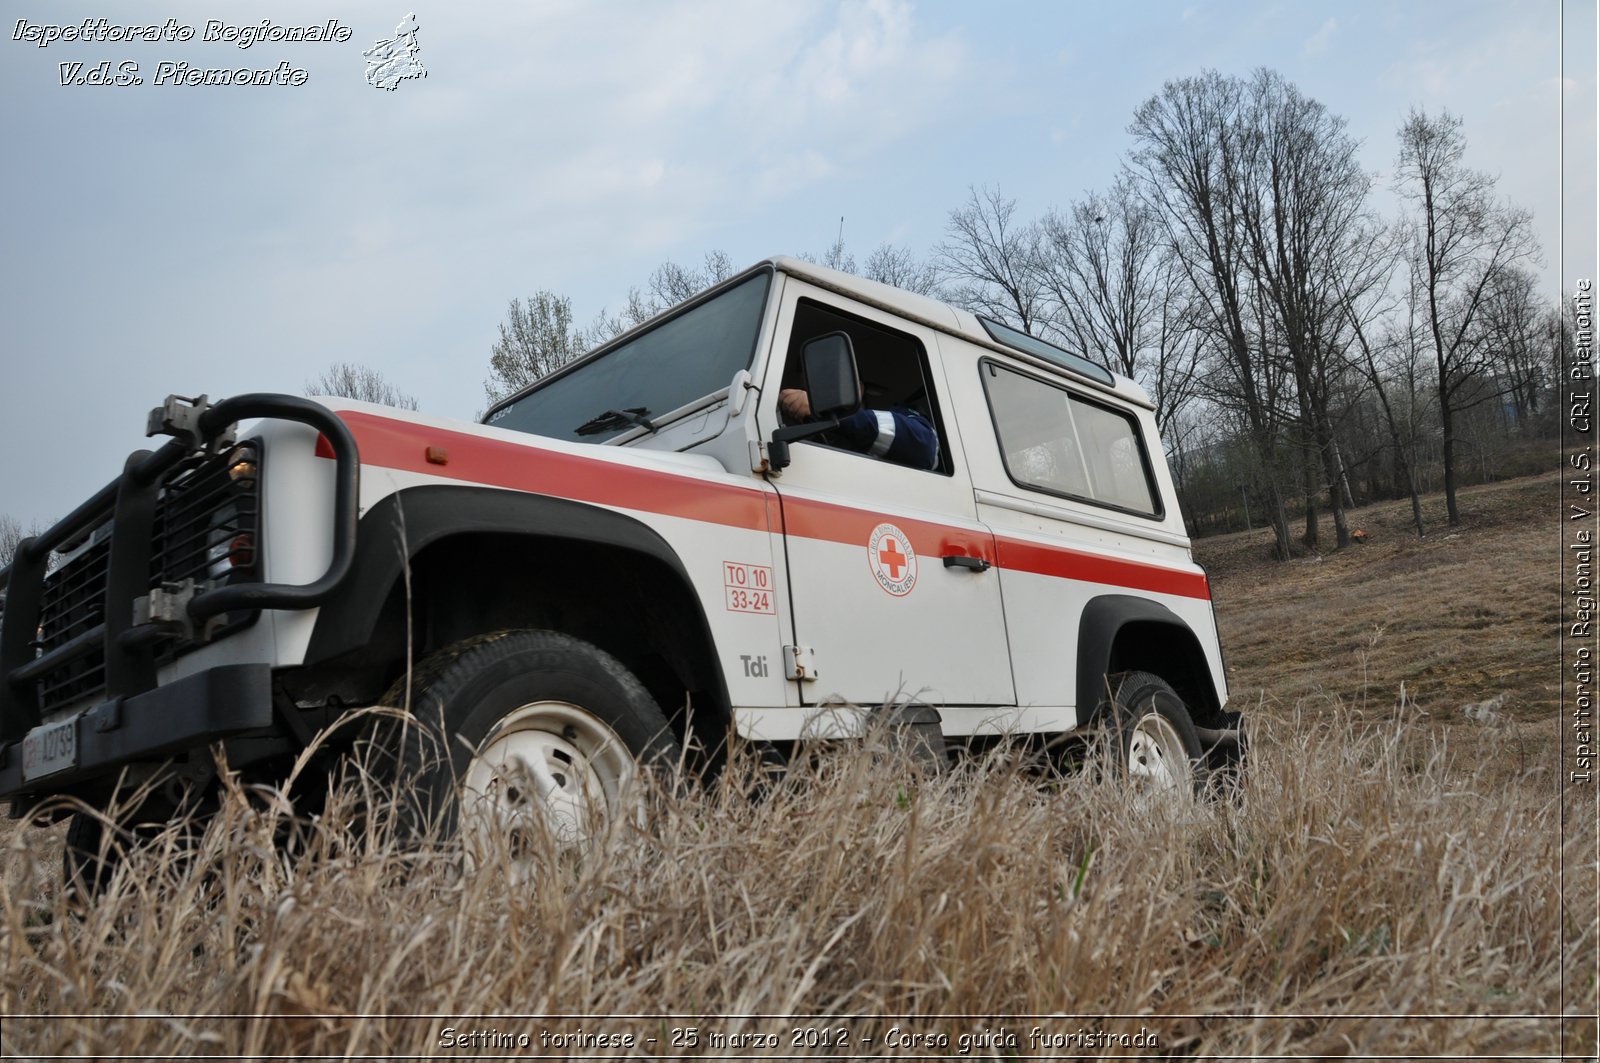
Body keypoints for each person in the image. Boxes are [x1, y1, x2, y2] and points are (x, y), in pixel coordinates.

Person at [778, 388, 940, 471]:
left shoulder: (904, 414)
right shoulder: (814, 438)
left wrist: (823, 410)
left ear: (858, 387)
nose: (812, 392)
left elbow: (925, 445)